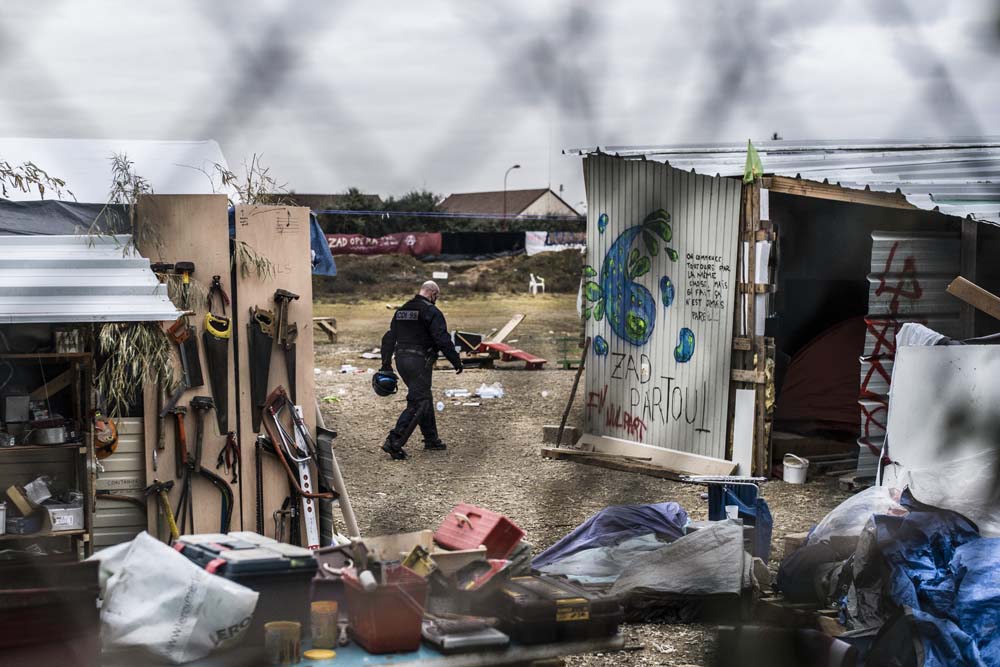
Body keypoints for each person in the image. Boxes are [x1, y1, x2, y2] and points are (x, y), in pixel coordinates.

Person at [379, 280, 463, 460]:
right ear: (433, 294)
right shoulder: (431, 311)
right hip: (420, 361)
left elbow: (388, 338)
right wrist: (456, 361)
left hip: (401, 361)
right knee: (419, 401)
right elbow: (442, 338)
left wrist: (386, 364)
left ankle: (431, 439)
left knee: (423, 395)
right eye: (436, 297)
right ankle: (394, 441)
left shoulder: (401, 311)